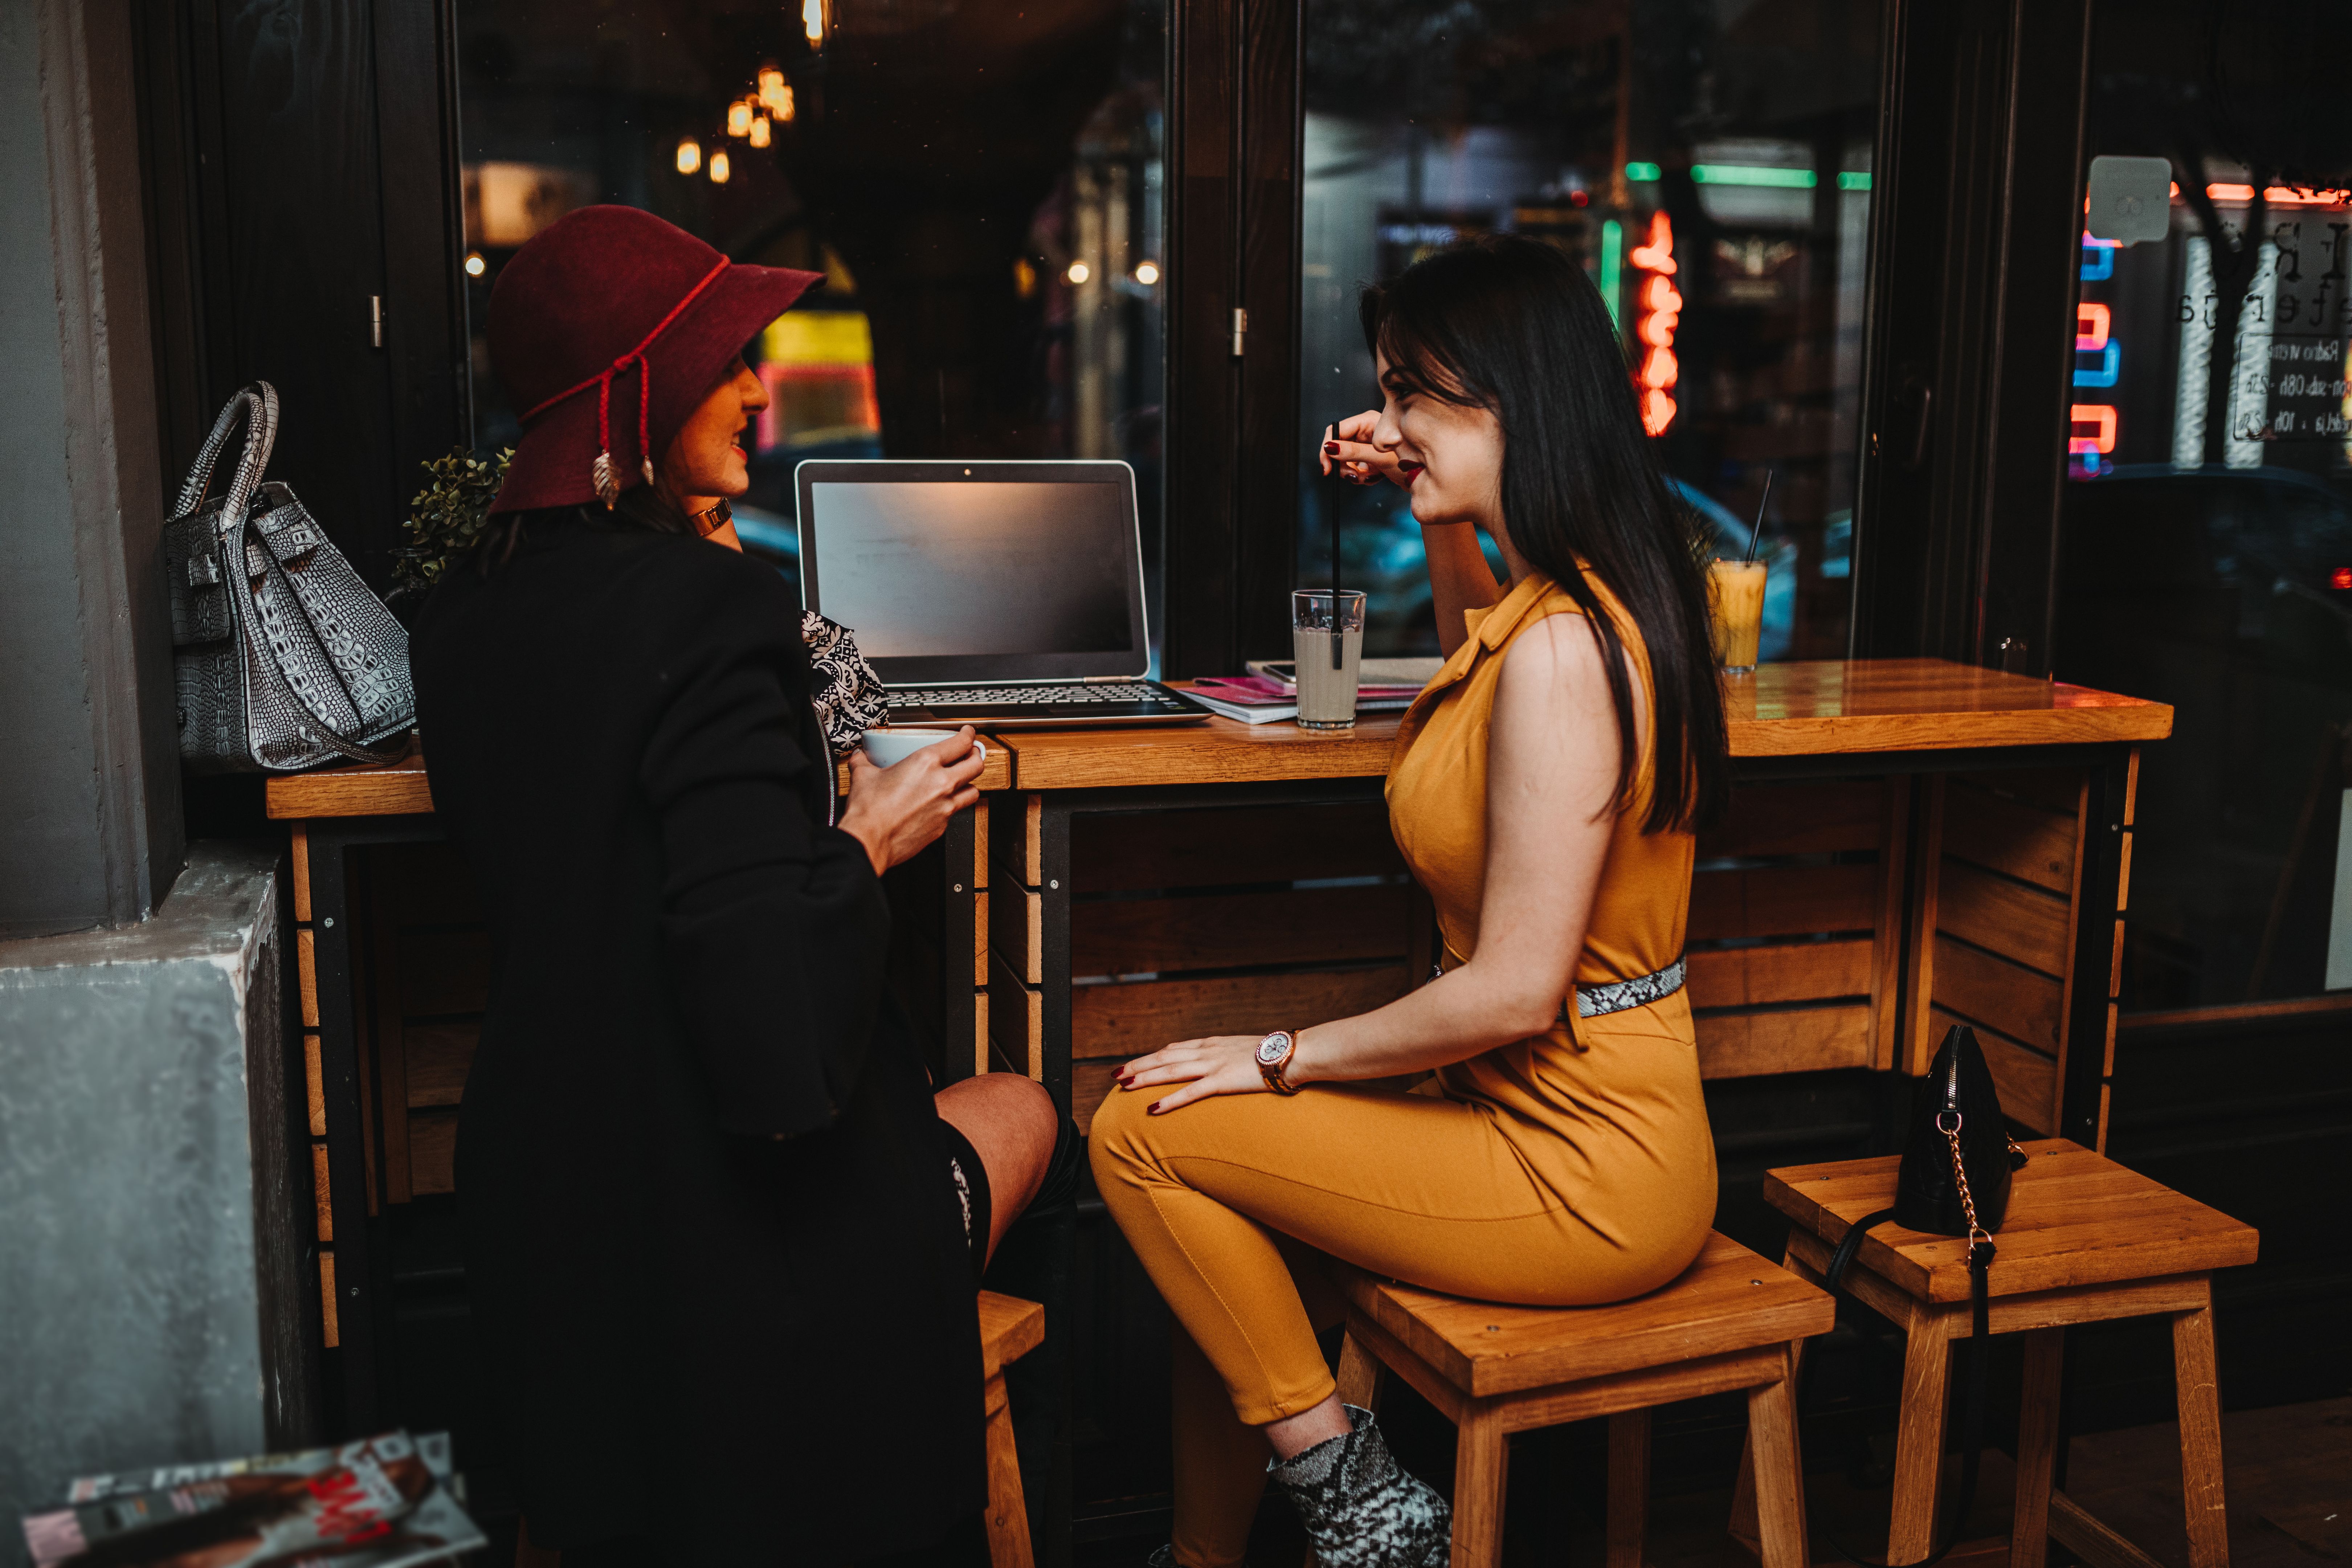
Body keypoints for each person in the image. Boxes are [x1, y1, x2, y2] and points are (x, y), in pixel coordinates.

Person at [411, 205, 1067, 1567]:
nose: (760, 388)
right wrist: (868, 839)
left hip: (550, 1237)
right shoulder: (714, 613)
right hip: (748, 1274)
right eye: (725, 361)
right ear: (631, 396)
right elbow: (774, 1050)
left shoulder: (462, 620)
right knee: (1023, 1109)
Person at [1089, 234, 1731, 1568]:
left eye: (1410, 396)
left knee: (1144, 1129)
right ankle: (1238, 1546)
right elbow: (1476, 662)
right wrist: (1435, 503)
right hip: (1566, 1117)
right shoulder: (1592, 603)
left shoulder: (1567, 648)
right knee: (1229, 1226)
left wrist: (1281, 1056)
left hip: (1581, 1167)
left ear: (1514, 401)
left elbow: (1513, 991)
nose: (1384, 424)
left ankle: (1347, 1490)